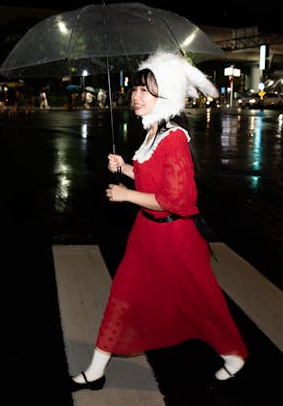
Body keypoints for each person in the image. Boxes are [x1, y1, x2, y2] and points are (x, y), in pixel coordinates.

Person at [69, 51, 248, 392]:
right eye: (136, 89)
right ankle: (95, 371)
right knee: (121, 295)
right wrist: (124, 168)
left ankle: (234, 353)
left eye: (146, 90)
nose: (136, 96)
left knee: (198, 301)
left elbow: (179, 200)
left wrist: (126, 196)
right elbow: (152, 182)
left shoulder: (175, 138)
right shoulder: (153, 133)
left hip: (176, 238)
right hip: (146, 233)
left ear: (166, 94)